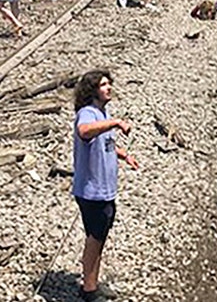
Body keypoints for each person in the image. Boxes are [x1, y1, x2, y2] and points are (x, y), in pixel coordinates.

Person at [71, 69, 138, 302]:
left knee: (100, 238)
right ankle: (88, 290)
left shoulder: (102, 112)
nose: (108, 87)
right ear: (92, 90)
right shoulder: (87, 113)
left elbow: (105, 142)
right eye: (103, 85)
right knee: (94, 238)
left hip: (105, 190)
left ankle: (93, 284)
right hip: (91, 191)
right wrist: (116, 122)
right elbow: (84, 132)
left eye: (109, 83)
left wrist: (123, 155)